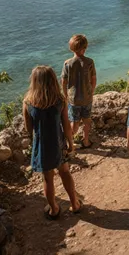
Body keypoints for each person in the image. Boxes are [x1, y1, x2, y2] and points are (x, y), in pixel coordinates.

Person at [24, 65, 83, 219]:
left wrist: (34, 143)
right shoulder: (59, 101)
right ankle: (75, 204)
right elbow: (66, 125)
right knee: (65, 173)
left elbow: (28, 128)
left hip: (42, 146)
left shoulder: (28, 102)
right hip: (59, 143)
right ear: (53, 81)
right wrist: (71, 143)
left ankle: (54, 209)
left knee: (47, 179)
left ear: (34, 81)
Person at [61, 34, 97, 149]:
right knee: (87, 121)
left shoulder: (67, 64)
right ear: (84, 48)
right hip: (87, 98)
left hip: (73, 99)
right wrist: (91, 92)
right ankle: (86, 141)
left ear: (71, 48)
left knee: (74, 122)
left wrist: (65, 95)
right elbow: (93, 79)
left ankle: (70, 143)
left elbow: (64, 81)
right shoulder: (90, 62)